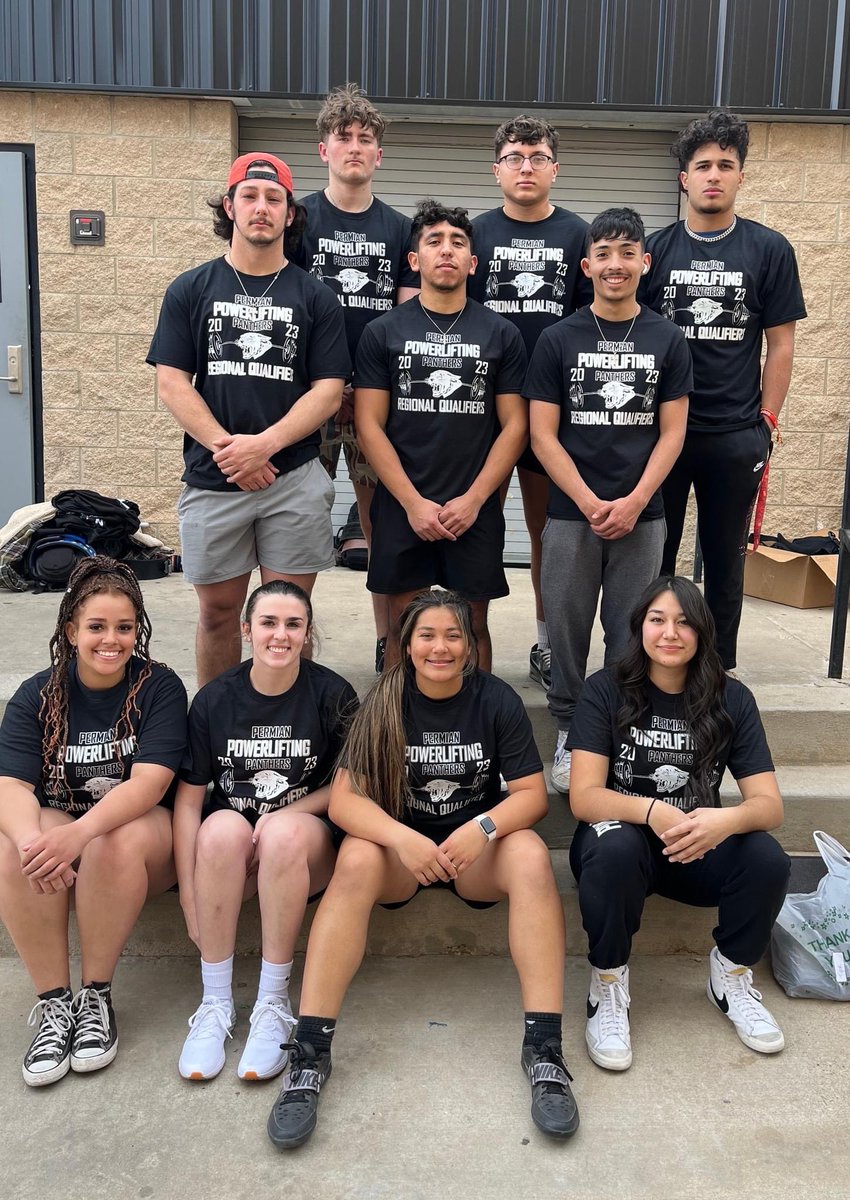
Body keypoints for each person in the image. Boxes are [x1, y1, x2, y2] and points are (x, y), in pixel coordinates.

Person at [264, 590, 578, 1148]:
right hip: (402, 859)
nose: (440, 647)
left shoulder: (495, 699)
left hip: (471, 856)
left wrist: (483, 828)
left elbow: (532, 795)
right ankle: (310, 1052)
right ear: (406, 645)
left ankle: (545, 1048)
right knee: (356, 854)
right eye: (427, 636)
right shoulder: (384, 701)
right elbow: (345, 802)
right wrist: (402, 838)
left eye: (453, 635)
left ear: (470, 645)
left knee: (530, 852)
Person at [568, 575, 790, 1071]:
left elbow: (769, 806)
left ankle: (730, 975)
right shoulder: (606, 689)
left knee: (767, 858)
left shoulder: (732, 699)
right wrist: (651, 810)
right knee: (615, 848)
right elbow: (584, 797)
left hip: (694, 846)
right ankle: (608, 984)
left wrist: (725, 821)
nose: (670, 633)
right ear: (639, 627)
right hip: (620, 846)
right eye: (657, 620)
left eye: (684, 622)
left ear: (702, 632)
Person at [147, 152, 350, 686]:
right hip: (215, 478)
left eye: (274, 199)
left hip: (293, 478)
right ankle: (218, 723)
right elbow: (172, 383)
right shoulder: (190, 289)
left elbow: (328, 391)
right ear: (230, 207)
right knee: (218, 614)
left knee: (288, 618)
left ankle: (291, 723)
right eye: (250, 196)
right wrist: (231, 450)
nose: (262, 208)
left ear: (290, 214)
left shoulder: (316, 296)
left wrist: (264, 446)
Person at [0, 557, 187, 1086]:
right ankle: (55, 1004)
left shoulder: (158, 686)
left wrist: (78, 835)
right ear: (70, 632)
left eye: (124, 628)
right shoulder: (38, 695)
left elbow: (149, 784)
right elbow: (10, 787)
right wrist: (35, 844)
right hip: (64, 826)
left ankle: (96, 996)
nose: (111, 640)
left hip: (142, 838)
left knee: (111, 838)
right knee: (14, 846)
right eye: (97, 627)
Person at [528, 207, 691, 793]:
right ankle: (570, 730)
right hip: (572, 514)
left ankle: (619, 732)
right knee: (566, 627)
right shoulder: (557, 339)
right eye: (603, 254)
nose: (614, 265)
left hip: (642, 516)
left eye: (626, 253)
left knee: (630, 631)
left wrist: (635, 500)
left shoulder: (668, 338)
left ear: (644, 262)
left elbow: (673, 432)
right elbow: (542, 434)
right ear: (586, 266)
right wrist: (589, 501)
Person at [642, 110, 806, 669]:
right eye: (703, 165)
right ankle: (653, 666)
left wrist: (767, 422)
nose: (714, 175)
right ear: (684, 178)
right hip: (662, 435)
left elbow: (780, 344)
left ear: (740, 176)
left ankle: (716, 670)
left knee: (724, 562)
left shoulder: (769, 249)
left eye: (725, 165)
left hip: (735, 434)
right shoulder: (656, 251)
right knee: (656, 559)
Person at [173, 580, 357, 1082]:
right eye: (268, 623)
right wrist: (188, 893)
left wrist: (287, 811)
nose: (281, 635)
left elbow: (350, 786)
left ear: (307, 633)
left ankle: (273, 1001)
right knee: (219, 828)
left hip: (305, 845)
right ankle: (215, 1002)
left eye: (293, 624)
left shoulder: (332, 694)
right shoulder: (215, 699)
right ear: (246, 629)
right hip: (234, 850)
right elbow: (188, 801)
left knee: (283, 834)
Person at [356, 199, 528, 671]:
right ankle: (396, 717)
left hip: (472, 507)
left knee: (471, 627)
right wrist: (413, 503)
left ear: (473, 262)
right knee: (402, 626)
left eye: (457, 242)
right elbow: (368, 424)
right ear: (415, 260)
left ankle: (476, 716)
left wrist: (475, 500)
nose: (446, 250)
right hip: (403, 503)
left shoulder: (502, 334)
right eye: (434, 241)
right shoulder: (382, 332)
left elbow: (515, 425)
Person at [295, 83, 420, 673]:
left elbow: (407, 321)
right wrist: (326, 387)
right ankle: (292, 641)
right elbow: (286, 311)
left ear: (378, 155)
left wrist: (364, 389)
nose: (353, 146)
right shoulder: (298, 221)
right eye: (343, 137)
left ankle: (387, 643)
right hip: (307, 400)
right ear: (324, 149)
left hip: (375, 403)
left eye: (364, 138)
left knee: (383, 524)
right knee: (299, 523)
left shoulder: (399, 229)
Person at [468, 115, 591, 690]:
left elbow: (592, 323)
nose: (526, 167)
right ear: (496, 170)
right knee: (478, 526)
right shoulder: (474, 233)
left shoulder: (578, 236)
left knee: (549, 534)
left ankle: (547, 643)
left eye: (537, 157)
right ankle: (469, 640)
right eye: (514, 157)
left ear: (555, 169)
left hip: (552, 409)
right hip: (482, 407)